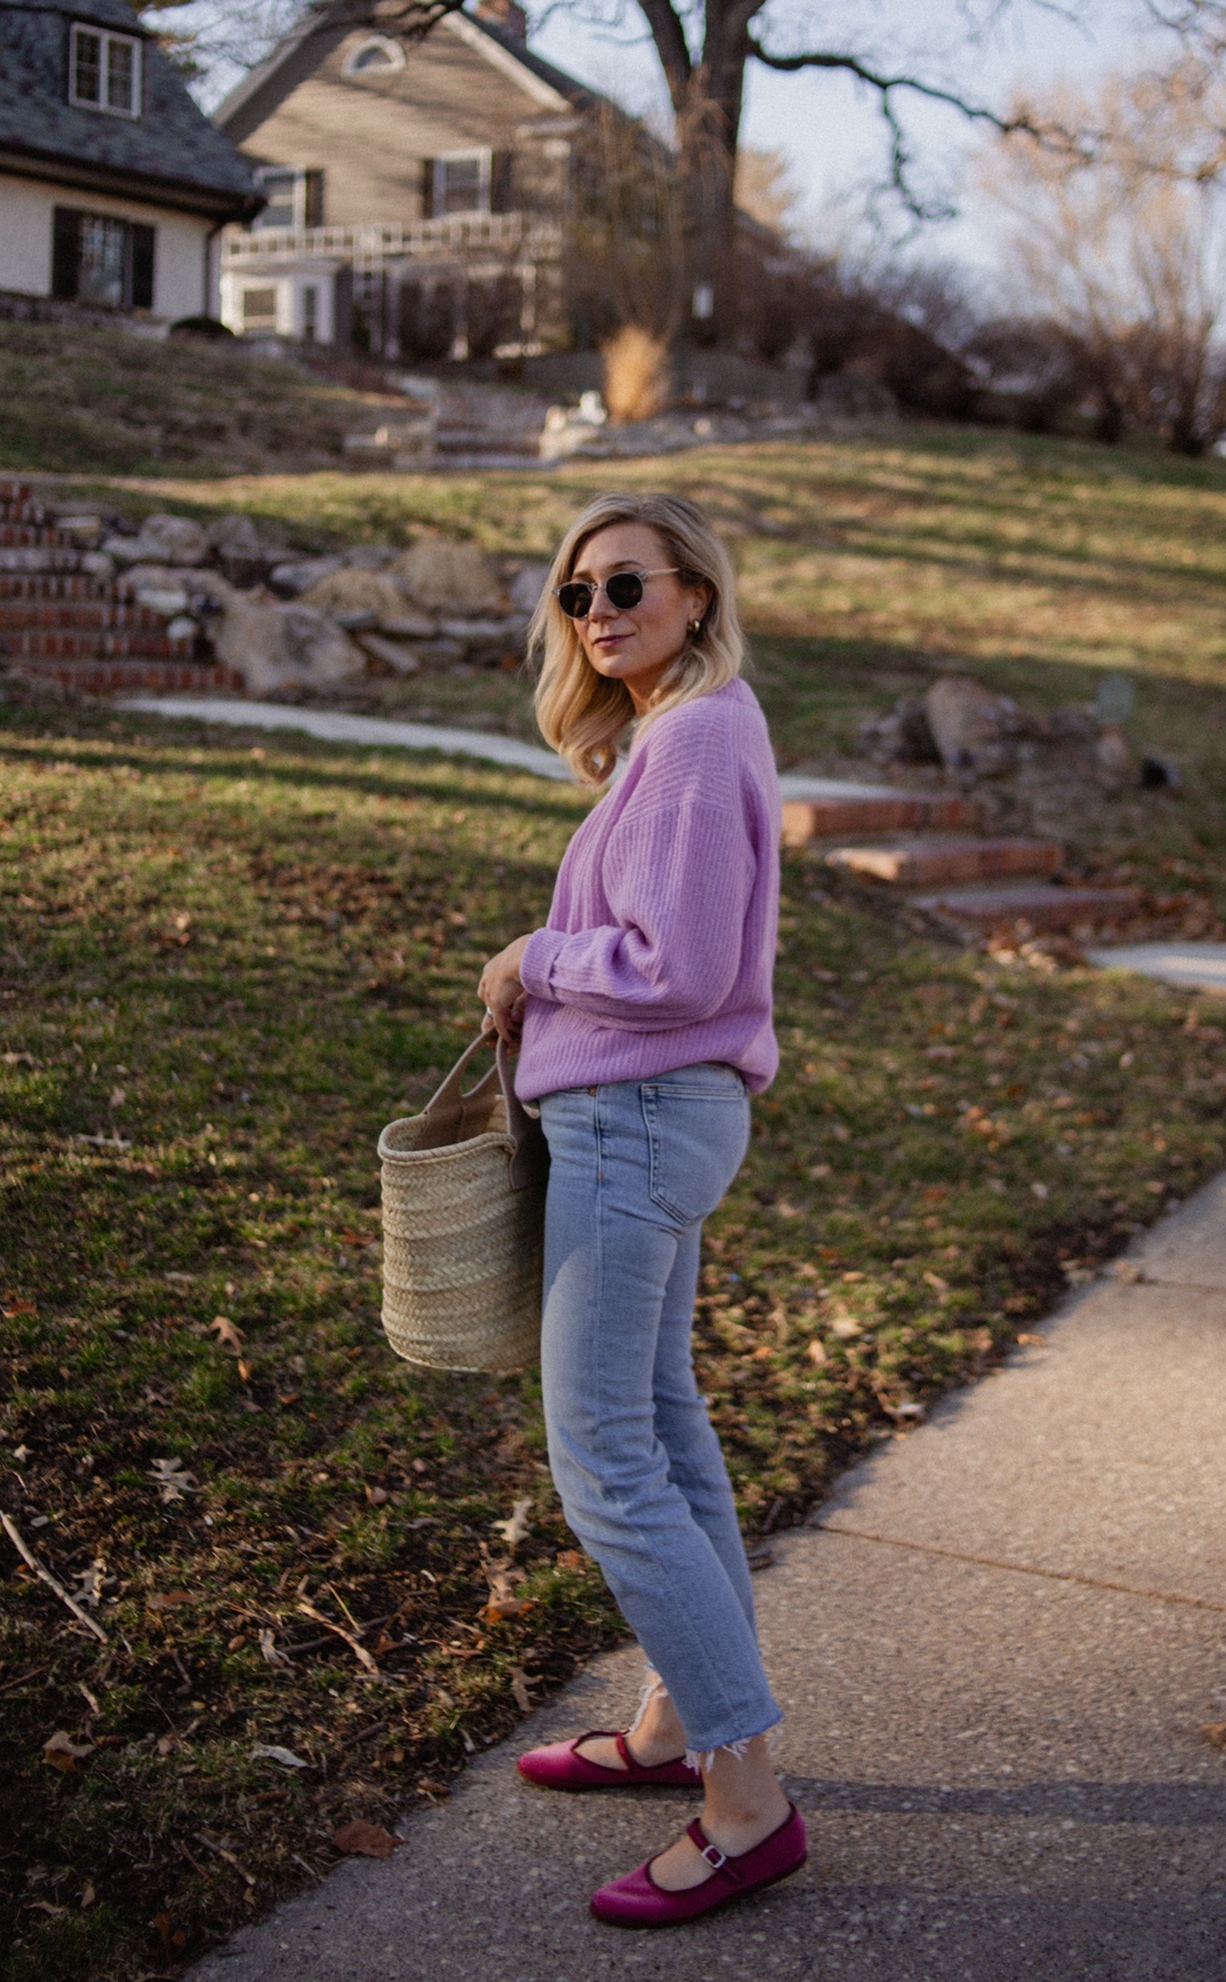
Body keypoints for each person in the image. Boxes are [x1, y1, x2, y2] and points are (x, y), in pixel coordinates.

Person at [477, 492, 806, 1928]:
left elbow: (669, 967)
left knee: (604, 1452)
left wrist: (532, 960)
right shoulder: (682, 733)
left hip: (636, 1116)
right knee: (663, 1428)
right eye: (573, 593)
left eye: (625, 583)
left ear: (690, 593)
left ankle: (746, 1801)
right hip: (658, 1116)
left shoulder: (689, 734)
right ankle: (681, 1723)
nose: (597, 609)